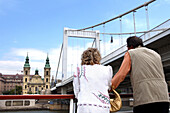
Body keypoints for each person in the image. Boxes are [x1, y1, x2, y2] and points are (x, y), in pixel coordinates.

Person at [111, 36, 169, 113]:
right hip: (163, 98)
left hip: (145, 99)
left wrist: (110, 86)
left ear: (130, 46)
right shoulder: (156, 54)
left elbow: (121, 74)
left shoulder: (131, 53)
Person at [73, 48, 112, 113]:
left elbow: (76, 91)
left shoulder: (79, 70)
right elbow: (108, 86)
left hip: (84, 106)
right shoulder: (107, 69)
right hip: (103, 107)